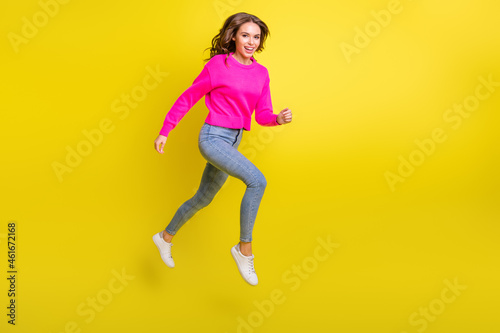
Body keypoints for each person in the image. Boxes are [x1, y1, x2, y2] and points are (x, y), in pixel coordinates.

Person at [152, 12, 292, 286]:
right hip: (213, 137)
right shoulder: (219, 65)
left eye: (256, 36)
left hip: (233, 141)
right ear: (233, 36)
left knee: (203, 198)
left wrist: (277, 119)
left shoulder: (261, 73)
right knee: (257, 181)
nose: (251, 41)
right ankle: (244, 249)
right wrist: (165, 130)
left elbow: (261, 114)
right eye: (245, 35)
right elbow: (188, 97)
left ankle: (164, 237)